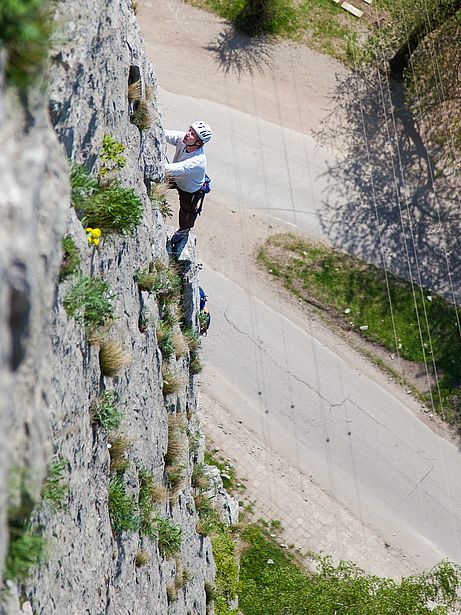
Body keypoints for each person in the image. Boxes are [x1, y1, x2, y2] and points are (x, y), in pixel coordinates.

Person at [164, 121, 212, 248]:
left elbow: (176, 168)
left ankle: (183, 231)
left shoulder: (198, 160)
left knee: (186, 212)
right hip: (178, 177)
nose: (188, 134)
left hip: (190, 190)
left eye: (193, 134)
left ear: (199, 143)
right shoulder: (183, 139)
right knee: (159, 180)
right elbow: (165, 134)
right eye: (190, 130)